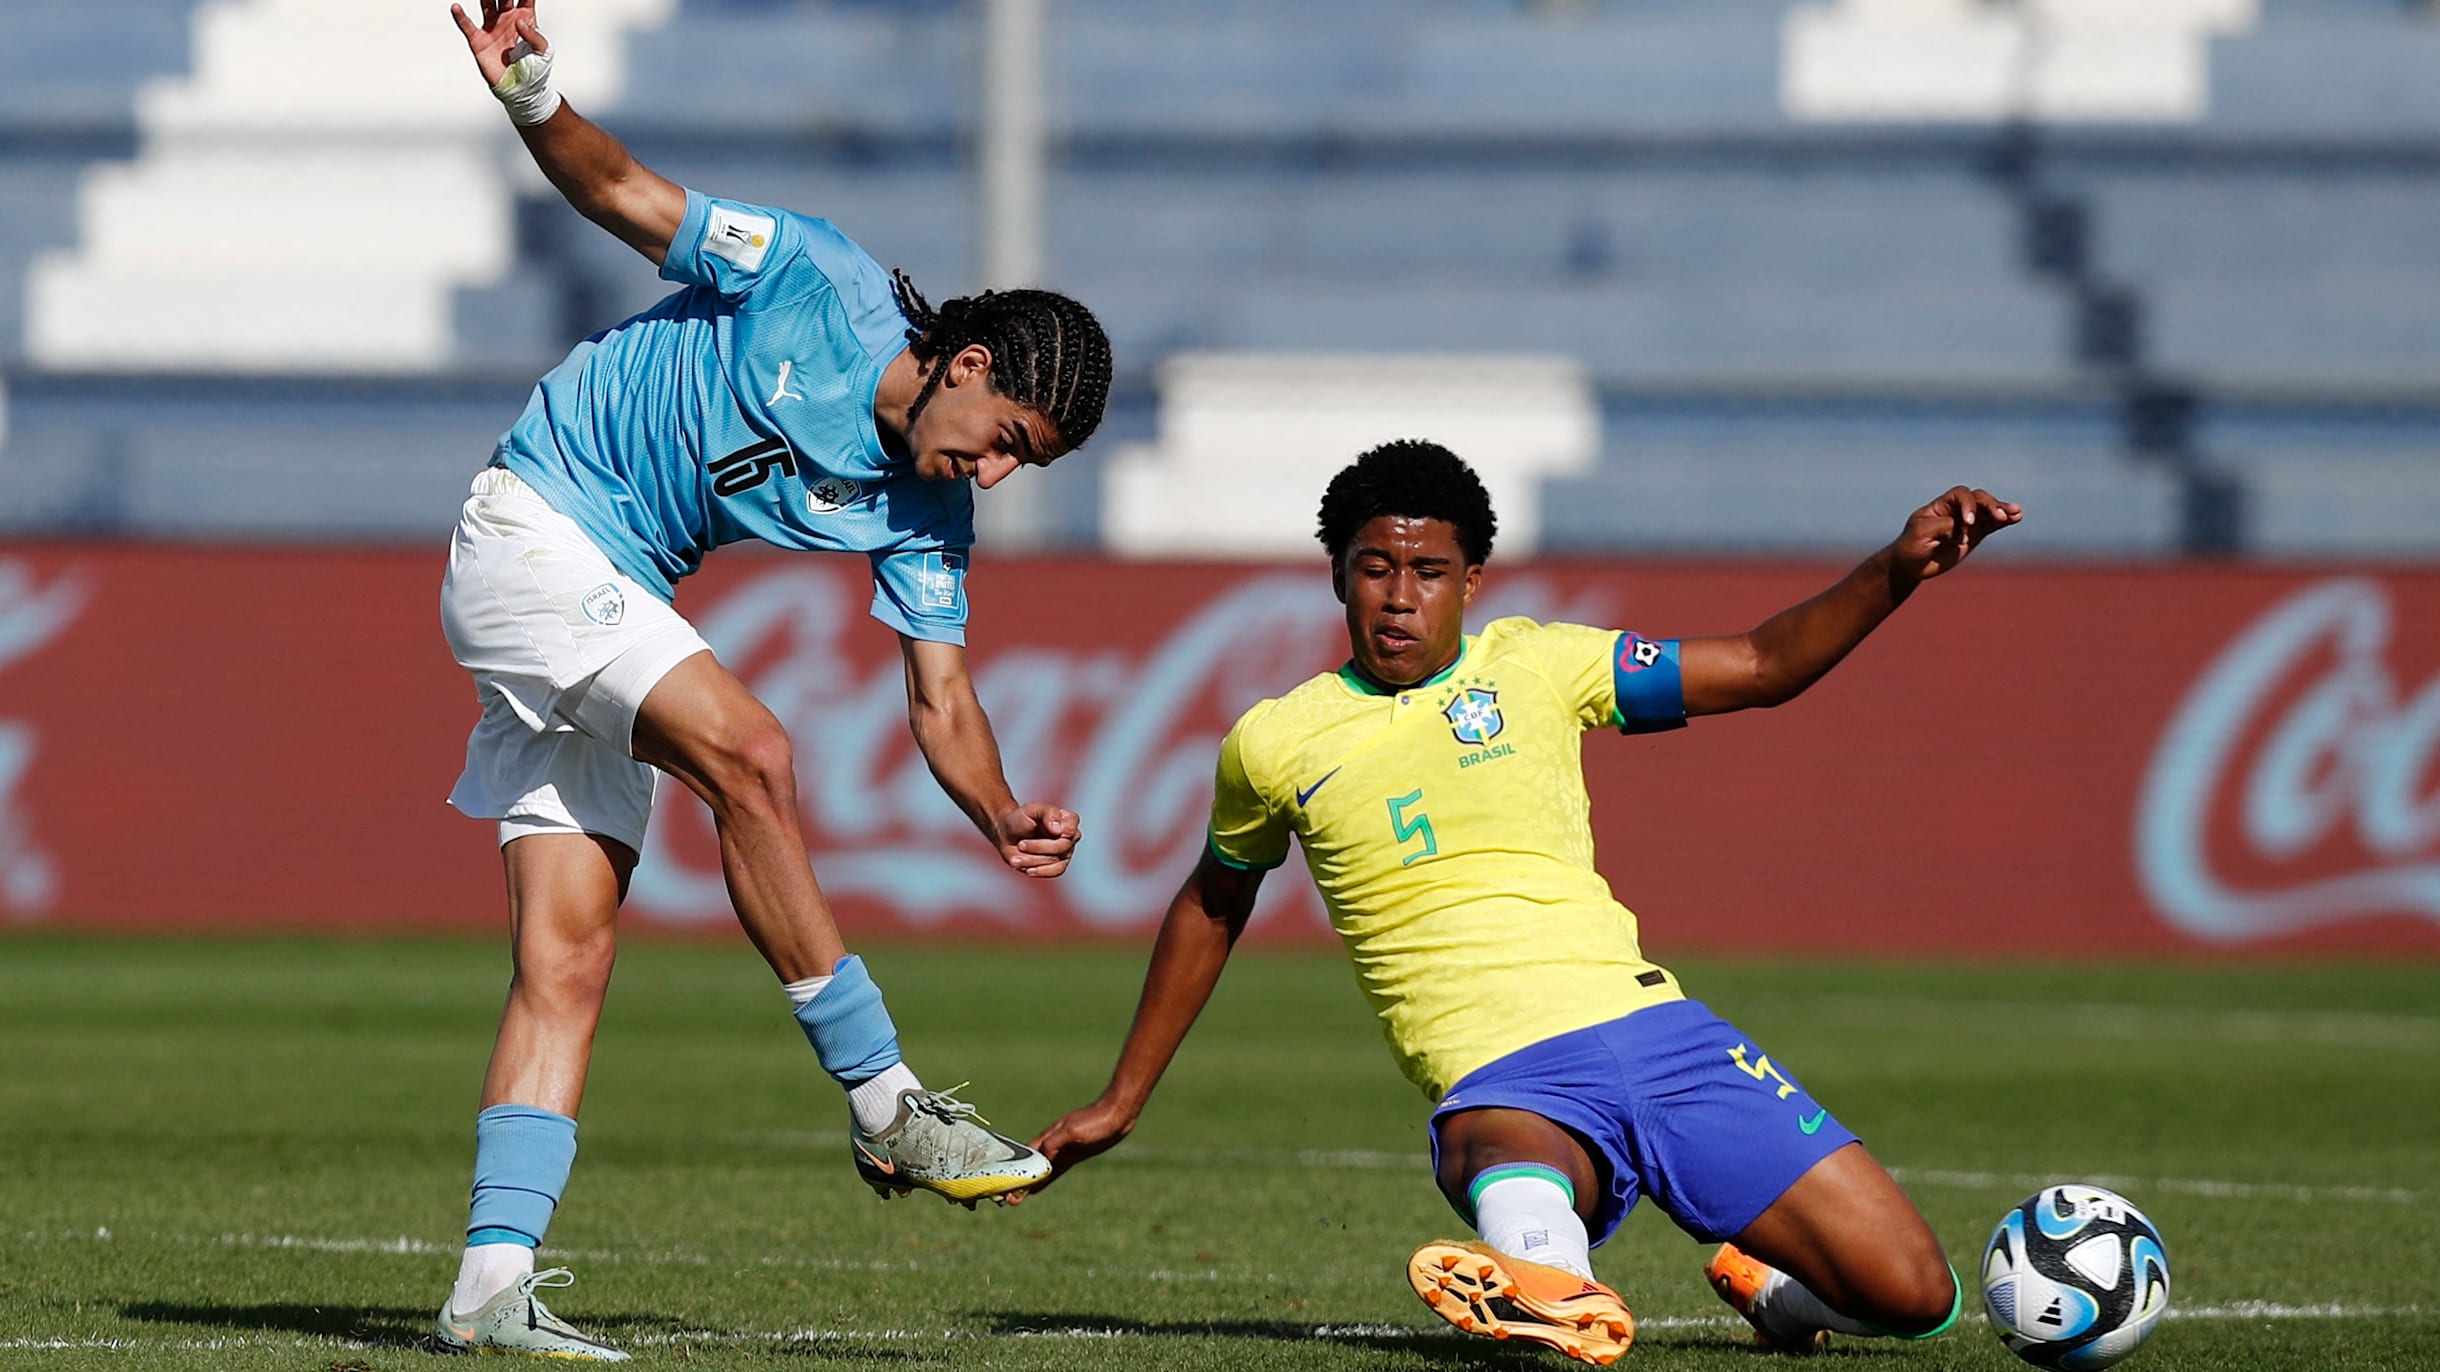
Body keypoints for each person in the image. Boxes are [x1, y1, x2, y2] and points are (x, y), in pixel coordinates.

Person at [429, 1, 1113, 1358]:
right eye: (1003, 440)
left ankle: (488, 1286)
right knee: (753, 753)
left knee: (566, 956)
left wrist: (999, 811)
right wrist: (531, 98)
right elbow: (621, 191)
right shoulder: (814, 275)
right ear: (968, 367)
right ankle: (885, 1103)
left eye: (1022, 465)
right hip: (536, 528)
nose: (995, 473)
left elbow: (943, 700)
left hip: (615, 594)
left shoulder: (930, 516)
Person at [1020, 441, 2020, 1365]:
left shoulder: (1541, 663)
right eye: (1375, 568)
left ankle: (1758, 1294)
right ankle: (1552, 1286)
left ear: (1471, 583)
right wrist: (1121, 1098)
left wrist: (1896, 567)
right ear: (1337, 576)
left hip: (1658, 1029)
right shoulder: (1276, 741)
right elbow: (1211, 901)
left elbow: (1763, 665)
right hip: (1503, 1072)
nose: (1400, 598)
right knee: (1503, 1152)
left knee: (1915, 1297)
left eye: (1428, 572)